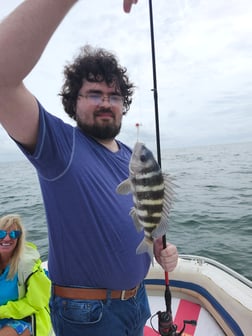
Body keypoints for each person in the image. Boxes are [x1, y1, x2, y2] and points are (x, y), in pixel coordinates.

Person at [0, 1, 178, 335]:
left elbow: (141, 220)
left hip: (137, 300)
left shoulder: (131, 156)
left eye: (114, 95)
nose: (106, 102)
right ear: (73, 102)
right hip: (89, 316)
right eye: (93, 94)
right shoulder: (60, 146)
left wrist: (159, 248)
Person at [0, 214, 52, 336]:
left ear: (19, 239)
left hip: (26, 319)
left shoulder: (28, 266)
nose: (7, 238)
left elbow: (36, 303)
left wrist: (2, 311)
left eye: (14, 234)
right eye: (1, 233)